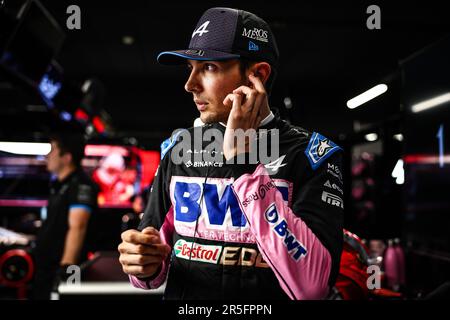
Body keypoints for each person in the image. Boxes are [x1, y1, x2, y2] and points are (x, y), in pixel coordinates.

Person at [118, 7, 344, 300]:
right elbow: (151, 261)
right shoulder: (179, 149)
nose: (190, 85)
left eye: (208, 67)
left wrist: (244, 165)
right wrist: (143, 266)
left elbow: (312, 287)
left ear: (257, 75)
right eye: (190, 68)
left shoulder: (314, 155)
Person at [32, 132, 98, 300]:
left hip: (61, 270)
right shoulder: (60, 185)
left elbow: (78, 226)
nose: (47, 155)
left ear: (67, 157)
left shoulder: (81, 185)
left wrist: (67, 271)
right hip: (45, 269)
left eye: (53, 150)